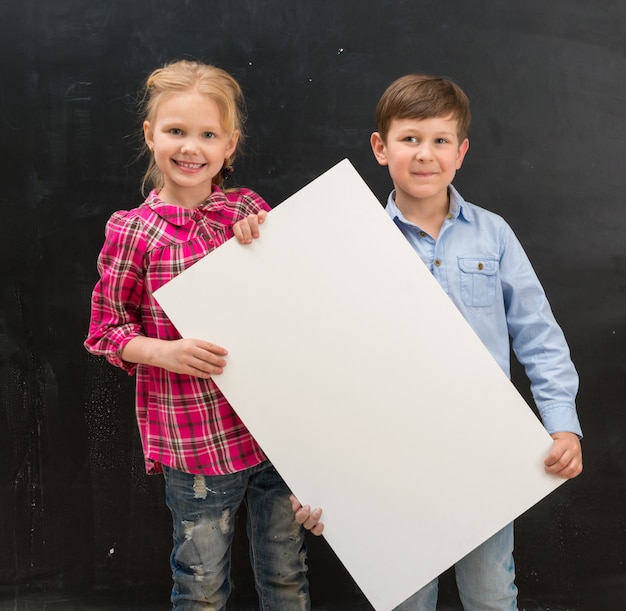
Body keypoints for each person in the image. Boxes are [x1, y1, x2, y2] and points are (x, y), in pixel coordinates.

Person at [84, 59, 322, 611]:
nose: (191, 148)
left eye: (207, 135)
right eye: (176, 131)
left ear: (228, 145)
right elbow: (107, 330)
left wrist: (262, 241)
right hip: (197, 440)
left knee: (286, 575)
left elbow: (299, 300)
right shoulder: (133, 231)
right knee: (201, 584)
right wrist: (164, 352)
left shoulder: (246, 210)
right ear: (150, 135)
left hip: (278, 433)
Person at [368, 74, 583, 610]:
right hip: (396, 450)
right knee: (407, 595)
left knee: (491, 592)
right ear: (380, 147)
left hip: (485, 449)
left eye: (440, 141)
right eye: (409, 138)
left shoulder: (493, 235)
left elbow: (538, 333)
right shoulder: (358, 240)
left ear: (461, 152)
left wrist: (562, 422)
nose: (425, 155)